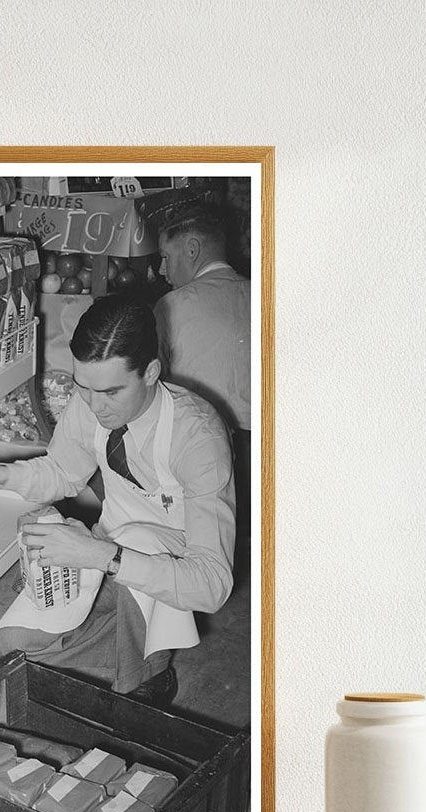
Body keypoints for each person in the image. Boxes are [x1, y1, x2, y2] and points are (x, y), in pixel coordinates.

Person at [0, 296, 235, 705]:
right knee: (15, 643)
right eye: (83, 388)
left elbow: (213, 586)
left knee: (141, 541)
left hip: (164, 571)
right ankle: (125, 646)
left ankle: (144, 682)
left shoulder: (198, 439)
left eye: (109, 392)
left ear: (151, 373)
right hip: (106, 551)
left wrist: (102, 556)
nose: (93, 405)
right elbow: (61, 472)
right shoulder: (92, 399)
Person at [153, 203, 251, 573]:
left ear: (192, 249)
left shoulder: (173, 305)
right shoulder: (266, 292)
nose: (162, 270)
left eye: (166, 256)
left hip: (209, 459)